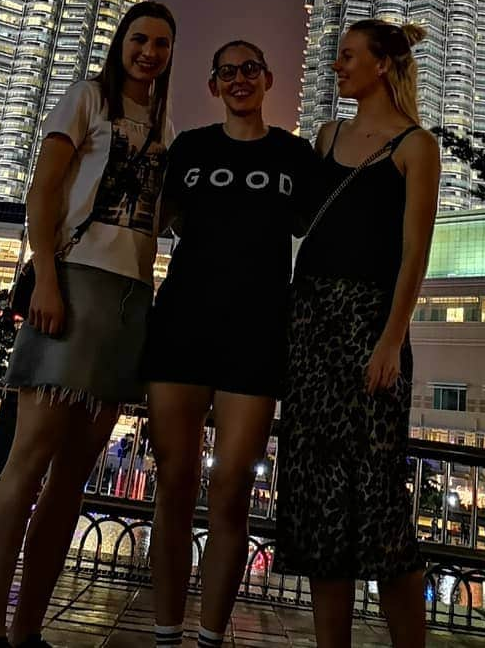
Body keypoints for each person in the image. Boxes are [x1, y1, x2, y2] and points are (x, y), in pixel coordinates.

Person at [0, 1, 176, 648]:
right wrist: (49, 279)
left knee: (72, 478)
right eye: (140, 39)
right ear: (121, 43)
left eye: (162, 44)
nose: (149, 52)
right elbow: (44, 189)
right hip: (74, 285)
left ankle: (29, 630)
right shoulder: (86, 98)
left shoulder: (166, 122)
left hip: (130, 300)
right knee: (27, 463)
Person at [275, 19, 441, 648]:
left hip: (370, 325)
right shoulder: (325, 136)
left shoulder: (415, 146)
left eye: (348, 56)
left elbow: (413, 253)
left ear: (381, 65)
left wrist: (391, 338)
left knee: (379, 504)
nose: (337, 66)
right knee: (319, 502)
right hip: (311, 322)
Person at [145, 40, 317, 648]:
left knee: (233, 489)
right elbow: (148, 222)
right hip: (181, 327)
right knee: (174, 484)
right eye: (227, 72)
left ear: (268, 79)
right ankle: (166, 631)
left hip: (257, 334)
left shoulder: (296, 156)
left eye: (250, 69)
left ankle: (211, 636)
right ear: (214, 85)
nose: (240, 79)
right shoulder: (189, 148)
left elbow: (327, 231)